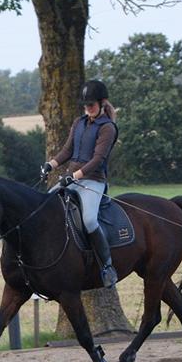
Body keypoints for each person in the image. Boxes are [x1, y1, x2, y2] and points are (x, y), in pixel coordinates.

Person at [41, 79, 119, 287]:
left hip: (92, 182)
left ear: (102, 103)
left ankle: (107, 267)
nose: (88, 109)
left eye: (91, 105)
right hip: (71, 178)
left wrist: (75, 176)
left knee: (89, 220)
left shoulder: (108, 128)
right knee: (45, 206)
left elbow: (98, 159)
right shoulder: (79, 123)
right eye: (85, 105)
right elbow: (68, 150)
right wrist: (51, 164)